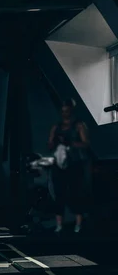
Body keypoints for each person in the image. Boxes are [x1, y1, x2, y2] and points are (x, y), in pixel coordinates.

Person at [47, 99, 90, 234]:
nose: (64, 113)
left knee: (75, 193)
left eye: (67, 111)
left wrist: (71, 144)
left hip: (74, 164)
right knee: (59, 194)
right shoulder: (56, 126)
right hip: (59, 165)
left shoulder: (78, 125)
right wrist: (55, 144)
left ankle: (78, 224)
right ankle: (59, 225)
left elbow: (86, 143)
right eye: (63, 111)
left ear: (71, 111)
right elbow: (49, 144)